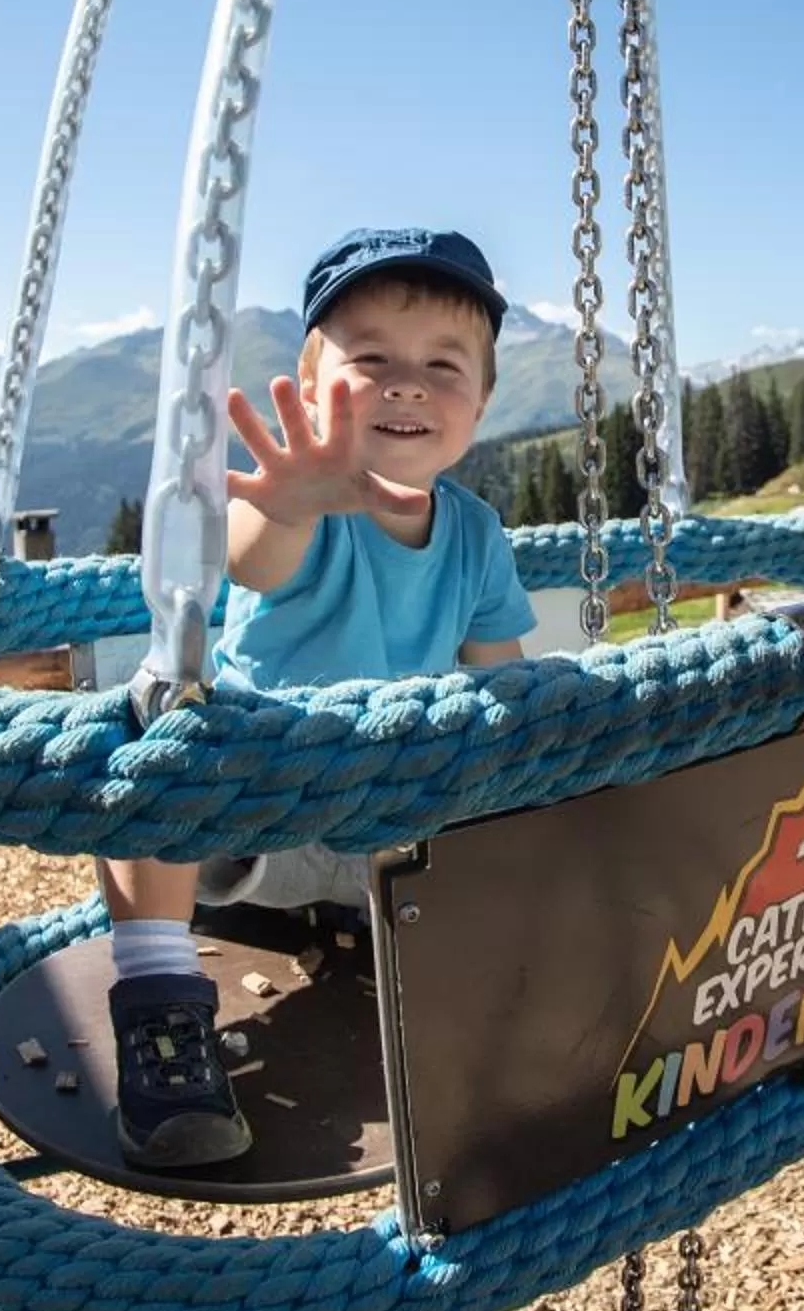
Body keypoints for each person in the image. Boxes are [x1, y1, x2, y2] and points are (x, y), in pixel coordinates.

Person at [99, 226, 535, 1169]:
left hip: (396, 835)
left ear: (485, 399)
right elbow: (257, 558)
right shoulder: (306, 510)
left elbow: (506, 684)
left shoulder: (476, 534)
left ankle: (501, 975)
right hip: (265, 817)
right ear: (310, 383)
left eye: (443, 365)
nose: (407, 383)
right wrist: (290, 501)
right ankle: (160, 1000)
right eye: (371, 359)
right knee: (152, 716)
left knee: (519, 782)